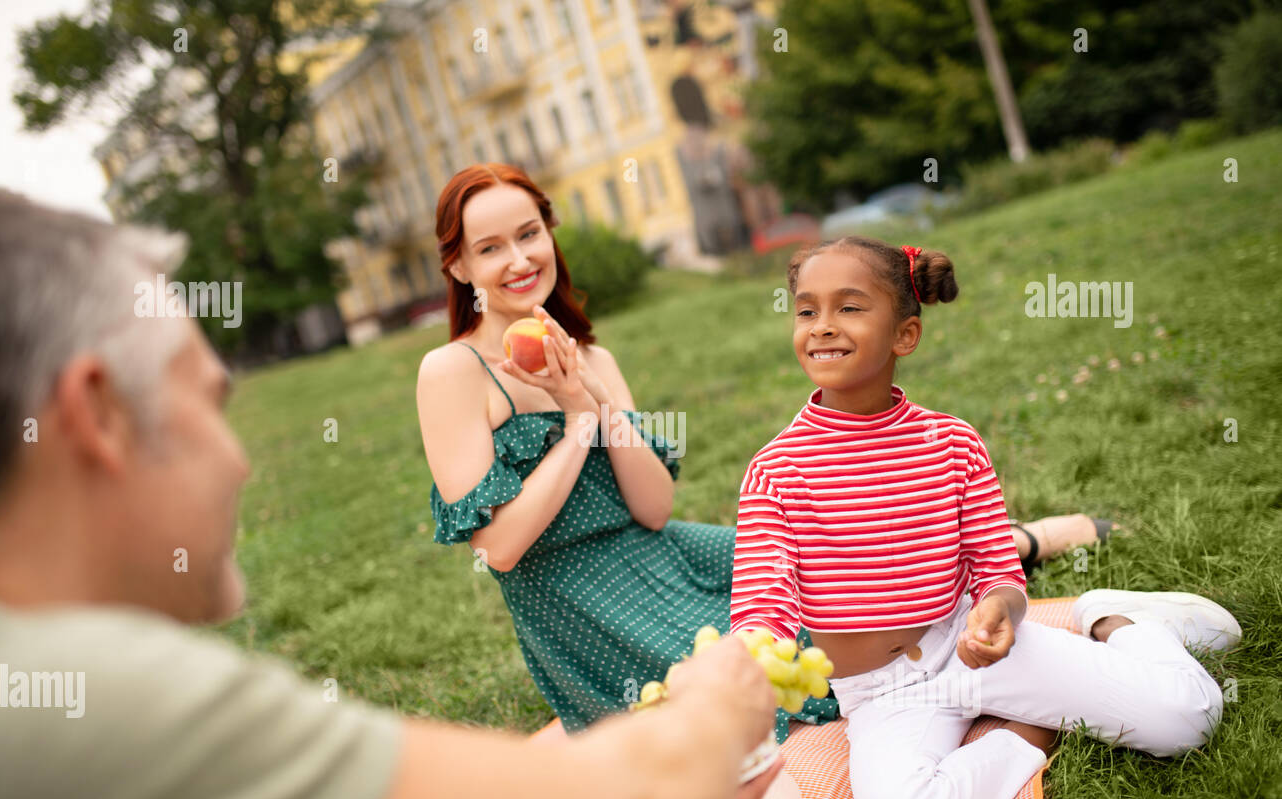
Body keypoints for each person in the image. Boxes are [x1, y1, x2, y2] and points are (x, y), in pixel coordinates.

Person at [0, 184, 784, 799]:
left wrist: (590, 409)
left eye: (531, 234)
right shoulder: (116, 705)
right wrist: (717, 709)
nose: (244, 464)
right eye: (212, 402)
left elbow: (654, 506)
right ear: (97, 416)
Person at [420, 162, 1118, 746]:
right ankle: (1016, 581)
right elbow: (502, 549)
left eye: (529, 234)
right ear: (457, 265)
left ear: (549, 234)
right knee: (783, 684)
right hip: (575, 599)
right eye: (489, 249)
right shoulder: (452, 372)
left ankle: (1009, 552)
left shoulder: (592, 354)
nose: (518, 260)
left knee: (848, 574)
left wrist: (594, 395)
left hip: (664, 550)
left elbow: (654, 507)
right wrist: (578, 422)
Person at [727, 236, 1239, 799]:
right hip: (883, 695)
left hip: (972, 650)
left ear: (905, 335)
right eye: (807, 311)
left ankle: (1119, 622)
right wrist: (754, 658)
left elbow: (997, 570)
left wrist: (1000, 610)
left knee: (1188, 719)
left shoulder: (952, 443)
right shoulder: (775, 470)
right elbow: (762, 602)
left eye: (850, 308)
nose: (822, 328)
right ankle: (1030, 731)